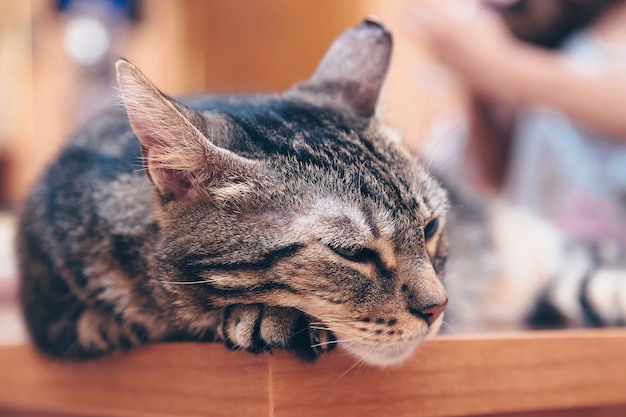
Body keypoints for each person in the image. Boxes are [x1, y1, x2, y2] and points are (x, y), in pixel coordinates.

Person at [408, 0, 626, 246]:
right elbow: (497, 178)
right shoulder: (565, 36)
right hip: (552, 265)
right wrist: (471, 69)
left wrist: (498, 64)